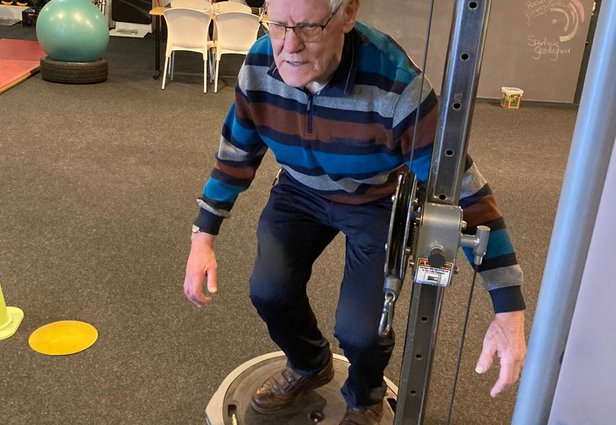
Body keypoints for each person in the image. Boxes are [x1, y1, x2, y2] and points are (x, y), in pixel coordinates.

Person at [184, 0, 527, 423]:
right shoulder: (258, 68)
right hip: (299, 190)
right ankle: (310, 364)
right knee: (269, 292)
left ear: (346, 15)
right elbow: (235, 154)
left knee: (361, 331)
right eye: (277, 26)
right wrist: (204, 235)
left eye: (308, 28)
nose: (289, 46)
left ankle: (365, 396)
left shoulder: (398, 87)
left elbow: (467, 195)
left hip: (376, 199)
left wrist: (507, 305)